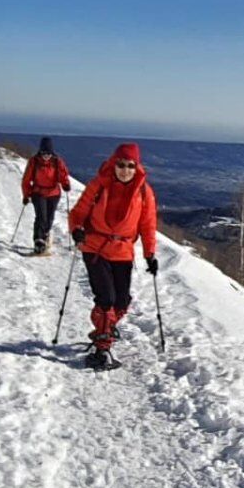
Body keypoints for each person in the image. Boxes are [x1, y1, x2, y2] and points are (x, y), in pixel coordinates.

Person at [68, 142, 158, 368]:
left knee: (122, 301)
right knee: (106, 299)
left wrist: (150, 254)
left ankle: (103, 328)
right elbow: (78, 212)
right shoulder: (99, 184)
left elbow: (147, 225)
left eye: (130, 165)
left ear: (137, 167)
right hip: (95, 247)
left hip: (123, 251)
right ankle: (103, 349)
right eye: (121, 164)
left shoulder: (144, 192)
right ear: (113, 163)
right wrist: (77, 230)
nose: (125, 170)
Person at [21, 136, 71, 255]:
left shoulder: (57, 162)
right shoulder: (34, 161)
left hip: (54, 193)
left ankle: (46, 235)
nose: (46, 156)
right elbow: (26, 179)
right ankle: (39, 241)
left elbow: (63, 174)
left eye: (48, 153)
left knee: (49, 218)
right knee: (41, 217)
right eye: (44, 153)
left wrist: (66, 184)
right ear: (40, 151)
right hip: (38, 192)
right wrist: (26, 195)